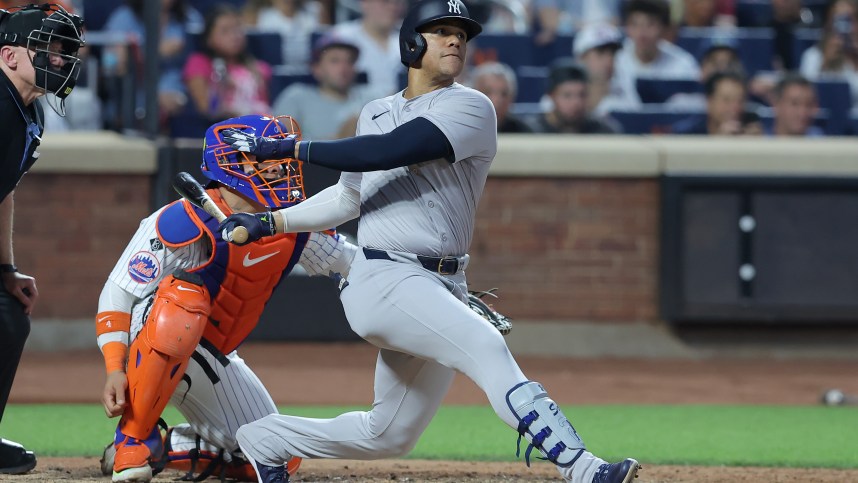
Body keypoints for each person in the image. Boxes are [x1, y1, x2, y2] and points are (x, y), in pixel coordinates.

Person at [216, 1, 641, 482]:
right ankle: (582, 468)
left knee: (388, 434)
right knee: (485, 347)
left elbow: (390, 150)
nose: (455, 40)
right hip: (382, 278)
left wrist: (294, 148)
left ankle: (265, 439)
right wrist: (270, 223)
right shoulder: (376, 111)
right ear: (411, 43)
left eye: (460, 32)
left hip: (443, 283)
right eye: (441, 31)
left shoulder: (471, 106)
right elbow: (346, 198)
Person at [97, 114, 357, 483]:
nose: (282, 169)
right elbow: (119, 292)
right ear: (233, 166)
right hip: (156, 335)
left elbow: (353, 263)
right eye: (267, 161)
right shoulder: (184, 219)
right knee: (182, 301)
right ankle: (132, 440)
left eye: (281, 160)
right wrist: (113, 367)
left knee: (277, 456)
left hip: (215, 355)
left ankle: (165, 448)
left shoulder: (293, 222)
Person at [0, 3, 84, 475]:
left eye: (62, 52)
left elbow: (3, 191)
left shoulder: (27, 109)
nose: (59, 61)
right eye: (47, 51)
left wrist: (5, 270)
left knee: (8, 318)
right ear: (10, 57)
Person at [271, 34, 382, 139]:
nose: (344, 68)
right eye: (335, 61)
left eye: (350, 61)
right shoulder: (296, 97)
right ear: (316, 69)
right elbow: (283, 145)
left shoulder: (370, 97)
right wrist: (342, 139)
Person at [183, 5, 272, 123]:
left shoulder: (259, 68)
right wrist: (221, 85)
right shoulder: (199, 63)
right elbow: (206, 109)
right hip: (225, 130)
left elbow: (265, 105)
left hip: (262, 127)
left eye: (238, 29)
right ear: (209, 38)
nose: (235, 36)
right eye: (225, 31)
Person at [613, 0, 699, 98]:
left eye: (650, 24)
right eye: (635, 24)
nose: (642, 33)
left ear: (663, 28)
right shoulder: (615, 61)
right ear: (626, 27)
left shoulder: (683, 63)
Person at [526, 59, 622, 134]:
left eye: (582, 94)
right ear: (551, 96)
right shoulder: (532, 131)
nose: (576, 102)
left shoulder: (603, 132)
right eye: (567, 95)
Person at [331, 0, 406, 95]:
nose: (393, 7)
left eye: (398, 3)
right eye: (385, 2)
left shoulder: (408, 39)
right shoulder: (342, 35)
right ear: (365, 3)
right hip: (353, 106)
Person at [572, 22, 639, 115]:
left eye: (613, 53)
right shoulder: (562, 90)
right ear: (581, 58)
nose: (609, 60)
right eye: (601, 53)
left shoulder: (624, 89)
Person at [254, 0, 328, 71]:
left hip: (310, 71)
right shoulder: (262, 16)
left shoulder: (313, 12)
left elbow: (325, 43)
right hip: (275, 73)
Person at [672, 70, 748, 134]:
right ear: (709, 101)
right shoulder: (686, 134)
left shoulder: (750, 130)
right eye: (726, 100)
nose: (734, 108)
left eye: (740, 101)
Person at [469, 61, 532, 133]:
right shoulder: (459, 129)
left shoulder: (524, 133)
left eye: (504, 94)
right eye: (487, 92)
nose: (497, 100)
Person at [768, 72, 824, 136]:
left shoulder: (825, 142)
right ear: (776, 104)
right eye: (794, 104)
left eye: (809, 105)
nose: (802, 112)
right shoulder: (759, 141)